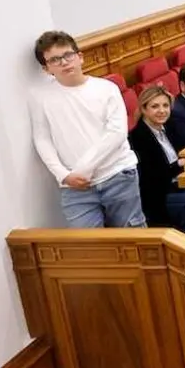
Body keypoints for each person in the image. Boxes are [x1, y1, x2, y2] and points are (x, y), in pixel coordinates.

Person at [30, 31, 146, 228]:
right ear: (46, 68)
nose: (64, 62)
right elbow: (42, 138)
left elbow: (116, 133)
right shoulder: (40, 97)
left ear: (80, 57)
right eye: (55, 60)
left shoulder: (106, 88)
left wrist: (82, 170)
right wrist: (63, 175)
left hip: (116, 174)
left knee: (132, 238)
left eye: (68, 55)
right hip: (73, 185)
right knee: (90, 248)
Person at [129, 86, 185, 235]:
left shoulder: (170, 127)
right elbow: (152, 177)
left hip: (181, 182)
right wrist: (178, 164)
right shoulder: (137, 137)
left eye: (165, 105)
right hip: (159, 195)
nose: (162, 110)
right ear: (144, 109)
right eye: (155, 106)